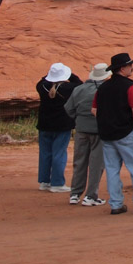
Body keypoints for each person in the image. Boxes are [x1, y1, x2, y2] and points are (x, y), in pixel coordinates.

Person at [92, 52, 133, 215]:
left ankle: (116, 204)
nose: (132, 67)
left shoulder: (102, 88)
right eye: (130, 65)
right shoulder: (130, 86)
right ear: (122, 68)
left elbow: (94, 110)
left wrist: (107, 122)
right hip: (127, 132)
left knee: (112, 169)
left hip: (108, 134)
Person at [63, 62, 110, 206]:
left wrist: (79, 118)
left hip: (81, 129)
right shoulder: (105, 90)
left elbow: (68, 108)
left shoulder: (79, 89)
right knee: (96, 164)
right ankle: (91, 196)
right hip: (99, 130)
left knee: (79, 162)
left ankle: (75, 194)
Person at [36, 62, 82, 193]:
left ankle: (44, 182)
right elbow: (79, 83)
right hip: (62, 125)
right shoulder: (69, 88)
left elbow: (43, 80)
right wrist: (70, 74)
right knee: (59, 153)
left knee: (45, 153)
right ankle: (57, 183)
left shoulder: (41, 87)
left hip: (44, 124)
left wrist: (51, 74)